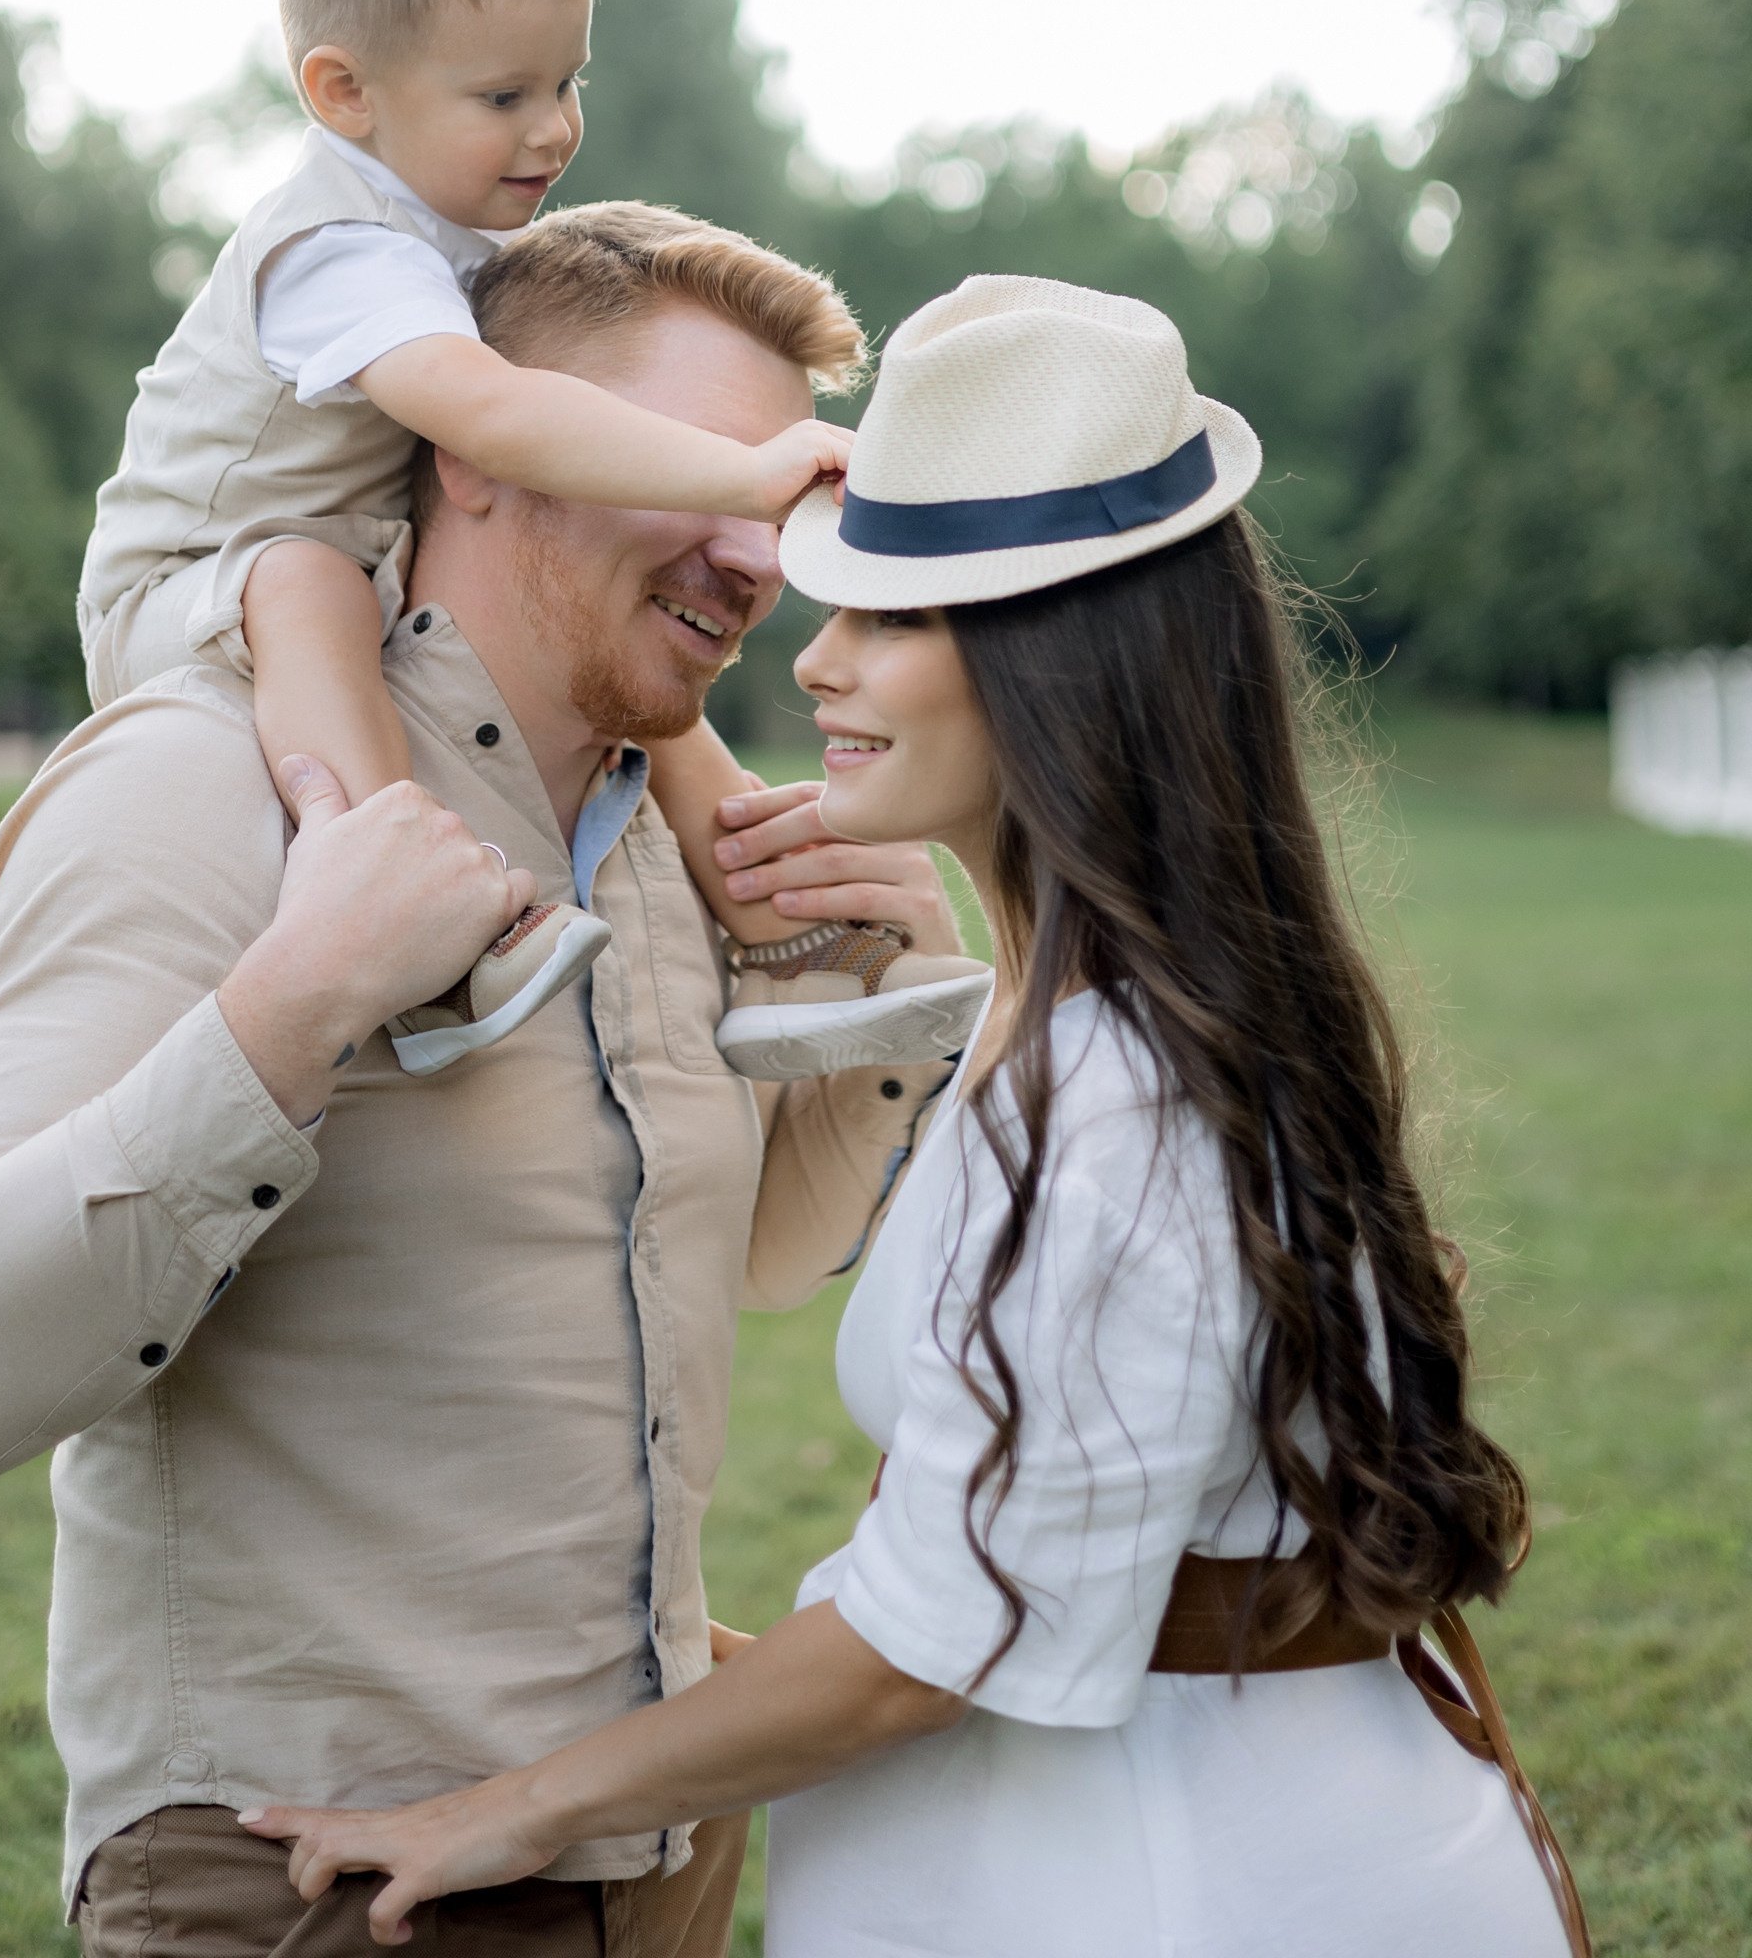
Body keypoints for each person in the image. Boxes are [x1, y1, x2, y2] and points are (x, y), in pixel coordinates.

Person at [243, 276, 1585, 1958]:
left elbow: (921, 1651)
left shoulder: (1118, 1104)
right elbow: (1035, 1559)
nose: (817, 660)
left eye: (892, 618)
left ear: (1060, 666)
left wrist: (504, 1808)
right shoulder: (1110, 1016)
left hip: (1176, 1896)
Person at [0, 204, 979, 1958]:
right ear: (475, 453)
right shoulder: (189, 788)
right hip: (307, 1884)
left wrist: (889, 1000)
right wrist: (294, 1005)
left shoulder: (672, 842)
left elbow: (751, 1258)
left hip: (658, 1843)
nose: (752, 556)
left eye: (771, 501)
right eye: (688, 470)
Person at [77, 0, 985, 1077]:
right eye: (504, 97)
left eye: (568, 83)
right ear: (343, 93)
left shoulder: (451, 248)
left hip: (346, 566)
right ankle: (406, 908)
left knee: (642, 686)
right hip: (185, 588)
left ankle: (789, 941)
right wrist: (745, 474)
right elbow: (499, 417)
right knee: (302, 577)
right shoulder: (335, 253)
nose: (554, 130)